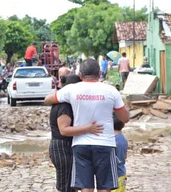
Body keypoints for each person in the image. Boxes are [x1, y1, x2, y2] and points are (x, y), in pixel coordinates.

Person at [45, 59, 130, 192]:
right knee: (105, 187)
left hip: (80, 144)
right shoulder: (111, 90)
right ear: (100, 73)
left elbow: (47, 99)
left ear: (80, 75)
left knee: (86, 187)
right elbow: (125, 118)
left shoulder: (71, 90)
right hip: (105, 143)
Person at [49, 74, 103, 192]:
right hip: (62, 148)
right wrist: (87, 129)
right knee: (65, 186)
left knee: (71, 185)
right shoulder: (64, 106)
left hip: (64, 147)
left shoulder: (66, 102)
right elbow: (64, 130)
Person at [111, 113, 127, 192]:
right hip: (121, 172)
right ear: (123, 125)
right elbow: (125, 156)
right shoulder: (123, 139)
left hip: (111, 174)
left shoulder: (109, 140)